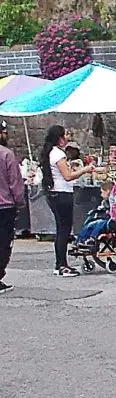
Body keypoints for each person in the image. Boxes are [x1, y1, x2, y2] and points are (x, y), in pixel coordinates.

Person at [40, 125, 96, 277]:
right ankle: (62, 265)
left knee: (61, 229)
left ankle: (60, 264)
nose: (68, 137)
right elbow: (68, 176)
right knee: (64, 229)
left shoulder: (51, 153)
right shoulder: (58, 154)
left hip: (55, 193)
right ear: (60, 138)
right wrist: (85, 169)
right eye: (66, 134)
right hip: (62, 193)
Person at [0, 121, 26, 293]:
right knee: (3, 243)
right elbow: (15, 183)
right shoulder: (7, 155)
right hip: (5, 207)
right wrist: (20, 202)